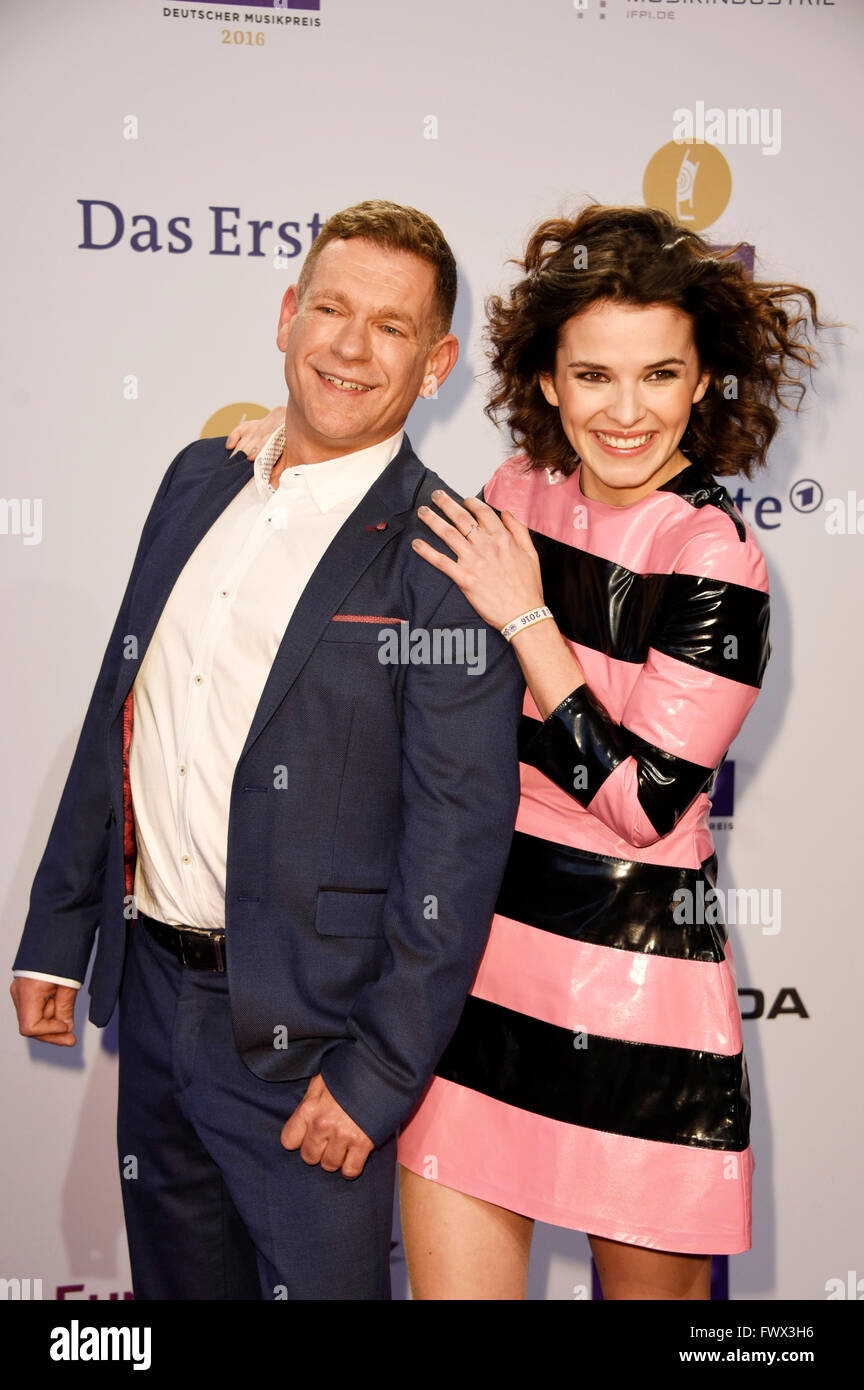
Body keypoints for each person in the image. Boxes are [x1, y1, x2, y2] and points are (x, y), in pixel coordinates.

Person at [10, 200, 525, 1300]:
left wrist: (378, 1074)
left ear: (435, 366)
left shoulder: (448, 559)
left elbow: (459, 843)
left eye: (390, 328)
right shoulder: (199, 479)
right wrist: (58, 932)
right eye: (330, 308)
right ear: (287, 316)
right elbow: (123, 701)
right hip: (152, 1000)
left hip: (315, 1054)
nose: (348, 345)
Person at [397, 204, 823, 1299]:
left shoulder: (714, 559)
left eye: (658, 376)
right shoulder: (513, 498)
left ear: (702, 382)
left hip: (638, 1009)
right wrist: (277, 450)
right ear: (546, 380)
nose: (625, 412)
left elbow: (644, 803)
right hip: (480, 988)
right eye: (593, 376)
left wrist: (528, 623)